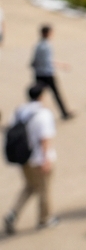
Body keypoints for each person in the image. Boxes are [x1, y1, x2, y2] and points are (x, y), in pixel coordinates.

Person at [4, 84, 57, 233]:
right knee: (44, 190)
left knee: (30, 186)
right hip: (39, 158)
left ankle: (12, 214)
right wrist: (46, 160)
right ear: (41, 96)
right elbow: (45, 139)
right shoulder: (44, 114)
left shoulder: (20, 111)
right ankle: (44, 219)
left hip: (23, 156)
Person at [29, 25, 70, 120]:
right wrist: (61, 65)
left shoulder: (38, 45)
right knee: (56, 94)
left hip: (38, 73)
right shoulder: (47, 46)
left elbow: (34, 60)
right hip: (47, 74)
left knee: (37, 94)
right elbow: (48, 61)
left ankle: (32, 112)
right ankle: (64, 113)